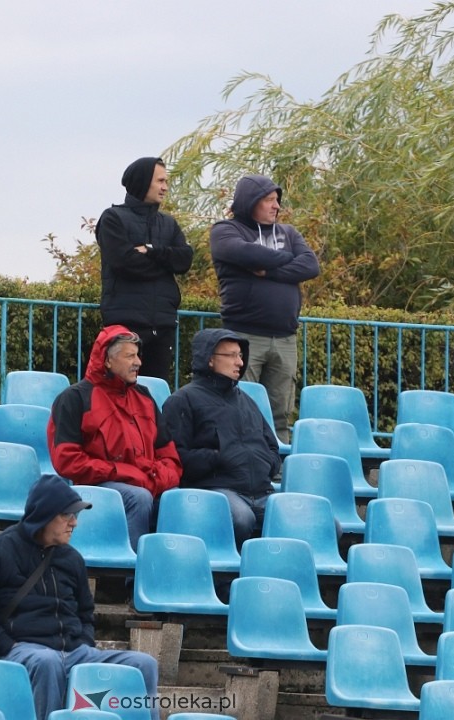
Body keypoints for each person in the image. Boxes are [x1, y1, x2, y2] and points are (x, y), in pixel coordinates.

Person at [0, 474, 158, 720]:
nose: (74, 523)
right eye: (67, 515)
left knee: (144, 664)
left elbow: (85, 614)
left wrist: (83, 643)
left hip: (73, 651)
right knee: (47, 662)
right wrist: (7, 645)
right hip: (20, 649)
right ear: (44, 516)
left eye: (76, 515)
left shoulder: (72, 559)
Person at [48, 325, 182, 550]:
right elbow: (67, 461)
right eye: (130, 356)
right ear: (107, 361)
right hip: (96, 485)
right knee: (139, 497)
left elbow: (170, 457)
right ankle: (132, 576)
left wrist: (156, 479)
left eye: (137, 355)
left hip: (143, 482)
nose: (138, 362)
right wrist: (126, 474)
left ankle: (169, 575)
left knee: (178, 499)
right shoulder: (74, 398)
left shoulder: (145, 397)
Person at [209, 174, 319, 444]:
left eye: (277, 200)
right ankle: (239, 460)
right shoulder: (226, 230)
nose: (276, 206)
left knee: (280, 410)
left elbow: (310, 266)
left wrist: (266, 270)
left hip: (285, 337)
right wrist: (286, 260)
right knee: (240, 404)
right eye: (269, 200)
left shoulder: (289, 233)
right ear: (251, 202)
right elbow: (242, 252)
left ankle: (278, 466)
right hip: (245, 335)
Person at [161, 328, 281, 547]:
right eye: (232, 356)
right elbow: (175, 456)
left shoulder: (247, 401)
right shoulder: (183, 400)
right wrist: (218, 457)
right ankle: (230, 579)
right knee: (241, 519)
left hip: (262, 491)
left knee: (326, 524)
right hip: (216, 490)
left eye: (240, 356)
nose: (240, 363)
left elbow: (272, 447)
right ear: (209, 360)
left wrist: (267, 463)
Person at [95, 156, 194, 381]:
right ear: (142, 182)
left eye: (166, 182)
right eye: (160, 181)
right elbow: (125, 263)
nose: (165, 187)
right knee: (119, 391)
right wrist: (166, 263)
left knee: (154, 396)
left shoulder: (168, 223)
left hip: (163, 325)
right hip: (125, 324)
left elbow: (185, 259)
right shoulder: (113, 218)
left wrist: (151, 251)